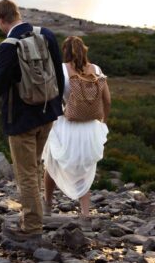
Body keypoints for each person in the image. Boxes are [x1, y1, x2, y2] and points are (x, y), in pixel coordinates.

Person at [0, 0, 64, 240]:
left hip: (21, 119)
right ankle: (31, 217)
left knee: (25, 173)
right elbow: (57, 73)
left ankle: (31, 226)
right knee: (34, 167)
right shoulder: (46, 34)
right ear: (18, 13)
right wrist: (57, 106)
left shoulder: (8, 46)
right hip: (47, 113)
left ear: (1, 20)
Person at [43, 36, 110, 217]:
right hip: (90, 128)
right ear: (84, 50)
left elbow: (52, 98)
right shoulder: (96, 69)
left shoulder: (62, 70)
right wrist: (103, 121)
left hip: (66, 124)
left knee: (51, 163)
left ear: (64, 51)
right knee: (85, 169)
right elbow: (107, 100)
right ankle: (85, 213)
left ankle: (47, 205)